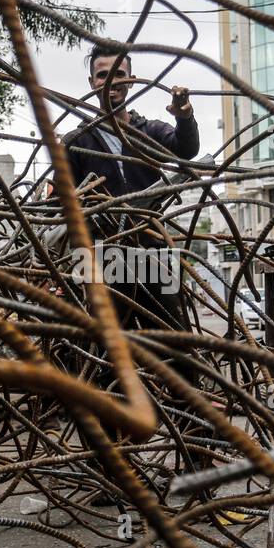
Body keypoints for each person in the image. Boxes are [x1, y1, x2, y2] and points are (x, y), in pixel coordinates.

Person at [63, 44, 200, 337]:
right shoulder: (76, 141)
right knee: (109, 349)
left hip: (153, 250)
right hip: (102, 256)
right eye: (102, 75)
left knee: (172, 343)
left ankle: (180, 382)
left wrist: (184, 117)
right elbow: (61, 206)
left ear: (132, 80)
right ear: (92, 83)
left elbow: (186, 150)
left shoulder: (150, 132)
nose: (111, 83)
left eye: (119, 75)